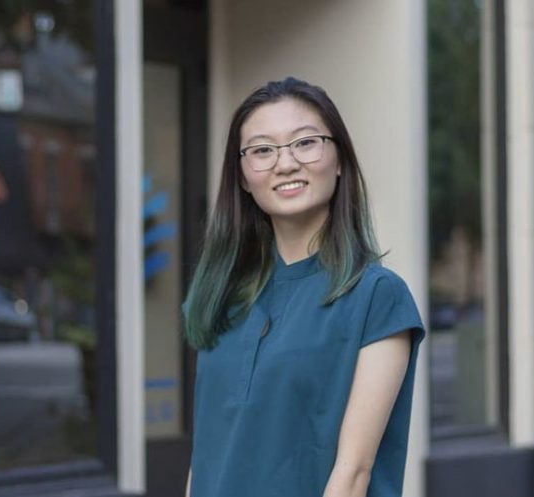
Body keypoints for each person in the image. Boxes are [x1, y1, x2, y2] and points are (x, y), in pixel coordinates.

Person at [182, 77, 425, 497]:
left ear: (339, 160)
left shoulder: (377, 297)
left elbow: (353, 474)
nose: (285, 163)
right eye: (261, 150)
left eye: (305, 143)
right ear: (242, 177)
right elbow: (206, 456)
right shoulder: (221, 296)